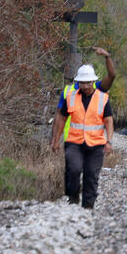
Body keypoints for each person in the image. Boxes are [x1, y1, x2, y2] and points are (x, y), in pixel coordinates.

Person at [50, 64, 113, 209]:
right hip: (74, 142)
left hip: (96, 144)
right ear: (78, 82)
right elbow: (61, 119)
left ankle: (88, 208)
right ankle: (73, 198)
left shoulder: (103, 98)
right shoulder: (71, 97)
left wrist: (109, 141)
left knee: (91, 176)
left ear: (93, 82)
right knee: (74, 169)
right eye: (82, 83)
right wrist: (56, 140)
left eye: (88, 82)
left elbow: (109, 120)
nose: (85, 86)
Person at [53, 47, 116, 143]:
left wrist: (107, 57)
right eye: (83, 81)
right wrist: (54, 139)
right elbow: (59, 116)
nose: (86, 86)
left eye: (89, 81)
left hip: (92, 143)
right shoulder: (67, 92)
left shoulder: (97, 88)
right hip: (71, 141)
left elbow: (112, 75)